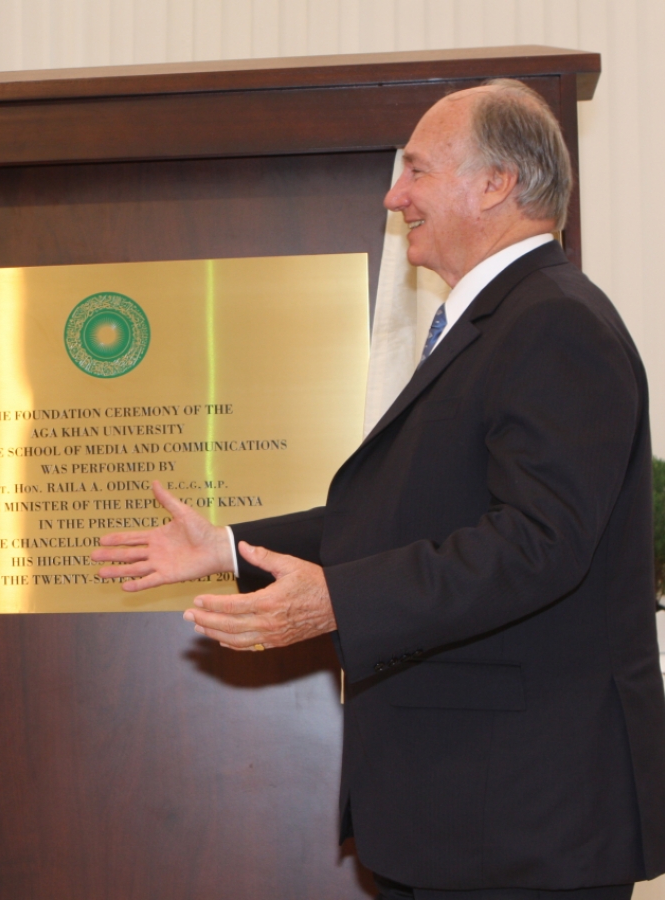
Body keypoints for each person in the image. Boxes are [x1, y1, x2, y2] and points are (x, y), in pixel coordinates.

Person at [93, 80, 665, 899]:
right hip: (470, 816)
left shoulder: (555, 321)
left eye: (418, 171)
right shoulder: (500, 320)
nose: (394, 195)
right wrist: (227, 547)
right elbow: (398, 520)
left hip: (520, 823)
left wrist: (341, 603)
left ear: (496, 184)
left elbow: (540, 545)